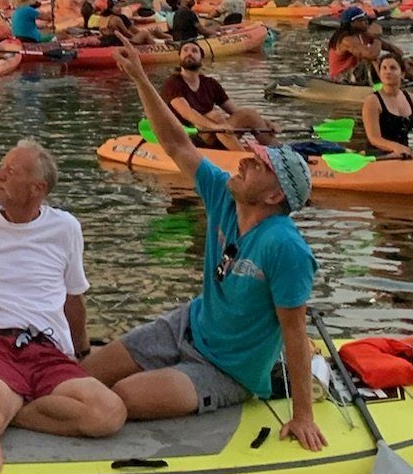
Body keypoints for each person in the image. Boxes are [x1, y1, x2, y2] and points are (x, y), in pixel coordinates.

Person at [82, 49, 325, 449]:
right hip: (188, 325)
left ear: (273, 195)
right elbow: (177, 145)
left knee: (122, 397)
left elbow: (294, 334)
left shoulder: (285, 247)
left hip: (225, 372)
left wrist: (302, 416)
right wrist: (142, 79)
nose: (244, 162)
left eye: (258, 165)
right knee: (86, 374)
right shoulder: (224, 196)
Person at [0, 142, 126, 474]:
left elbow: (72, 299)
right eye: (2, 166)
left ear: (38, 188)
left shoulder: (65, 227)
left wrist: (80, 353)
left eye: (10, 171)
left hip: (46, 349)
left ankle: (1, 413)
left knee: (109, 412)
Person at [162, 43, 278, 150]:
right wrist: (214, 126)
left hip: (217, 134)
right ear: (180, 57)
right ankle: (243, 158)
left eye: (194, 51)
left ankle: (279, 152)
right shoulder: (173, 83)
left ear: (201, 59)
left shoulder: (210, 83)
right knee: (214, 115)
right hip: (188, 137)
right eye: (185, 50)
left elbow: (235, 111)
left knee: (249, 114)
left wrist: (265, 123)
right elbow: (187, 113)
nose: (189, 53)